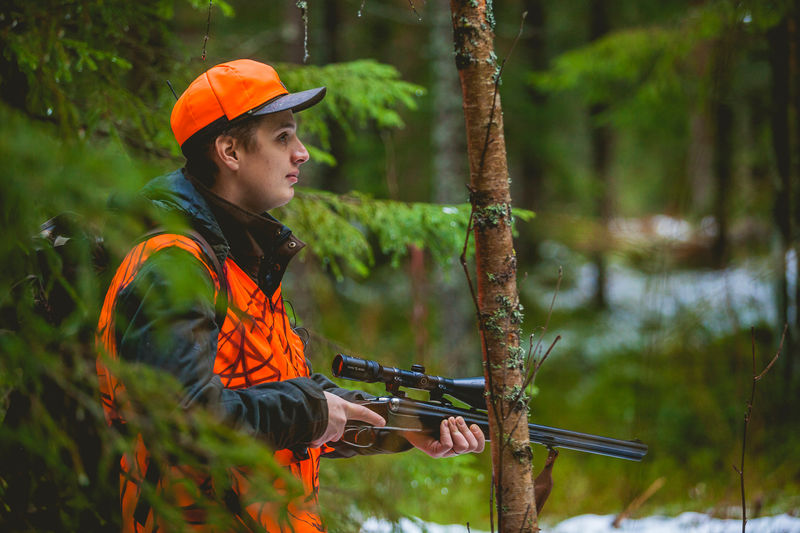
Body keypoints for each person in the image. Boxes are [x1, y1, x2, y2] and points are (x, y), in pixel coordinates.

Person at [96, 58, 485, 533]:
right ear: (229, 151)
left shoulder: (239, 260)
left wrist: (403, 427)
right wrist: (311, 410)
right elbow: (183, 418)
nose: (301, 153)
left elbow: (270, 402)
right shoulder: (173, 263)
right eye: (283, 137)